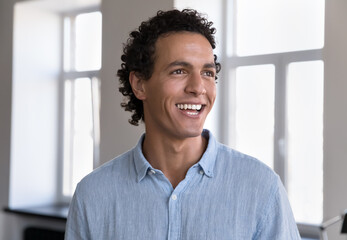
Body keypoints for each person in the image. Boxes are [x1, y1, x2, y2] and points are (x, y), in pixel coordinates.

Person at [65, 9, 301, 239]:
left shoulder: (262, 188)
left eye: (207, 73)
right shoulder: (93, 196)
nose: (198, 87)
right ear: (139, 84)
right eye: (179, 71)